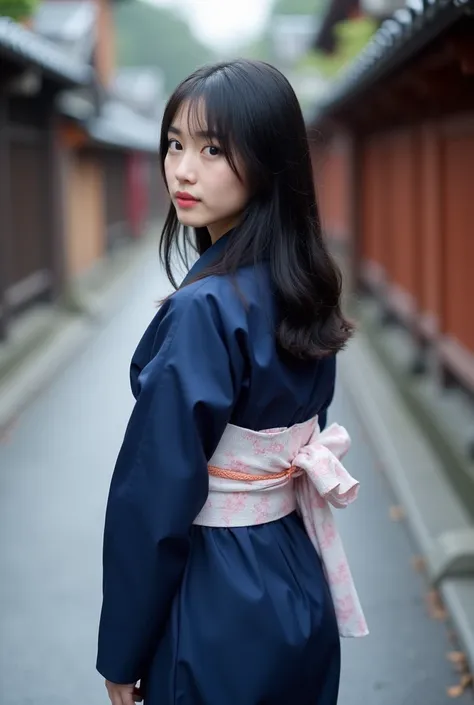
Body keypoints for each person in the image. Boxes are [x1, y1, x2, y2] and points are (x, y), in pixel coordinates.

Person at [96, 59, 368, 705]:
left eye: (213, 149)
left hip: (217, 591)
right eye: (175, 143)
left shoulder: (204, 309)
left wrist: (122, 651)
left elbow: (153, 499)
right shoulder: (302, 282)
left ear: (269, 160)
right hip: (296, 574)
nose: (182, 169)